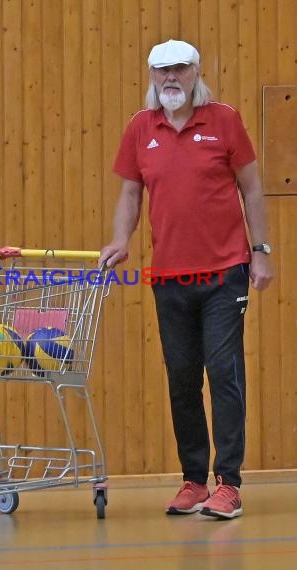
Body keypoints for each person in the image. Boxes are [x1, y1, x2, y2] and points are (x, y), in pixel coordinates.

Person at [99, 39, 273, 520]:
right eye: (161, 72)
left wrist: (261, 253)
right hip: (169, 277)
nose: (169, 78)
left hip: (225, 274)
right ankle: (194, 479)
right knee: (181, 378)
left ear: (196, 71)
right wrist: (120, 239)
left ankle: (228, 484)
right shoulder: (141, 127)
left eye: (178, 69)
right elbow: (131, 192)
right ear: (152, 77)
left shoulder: (223, 120)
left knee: (223, 374)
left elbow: (253, 188)